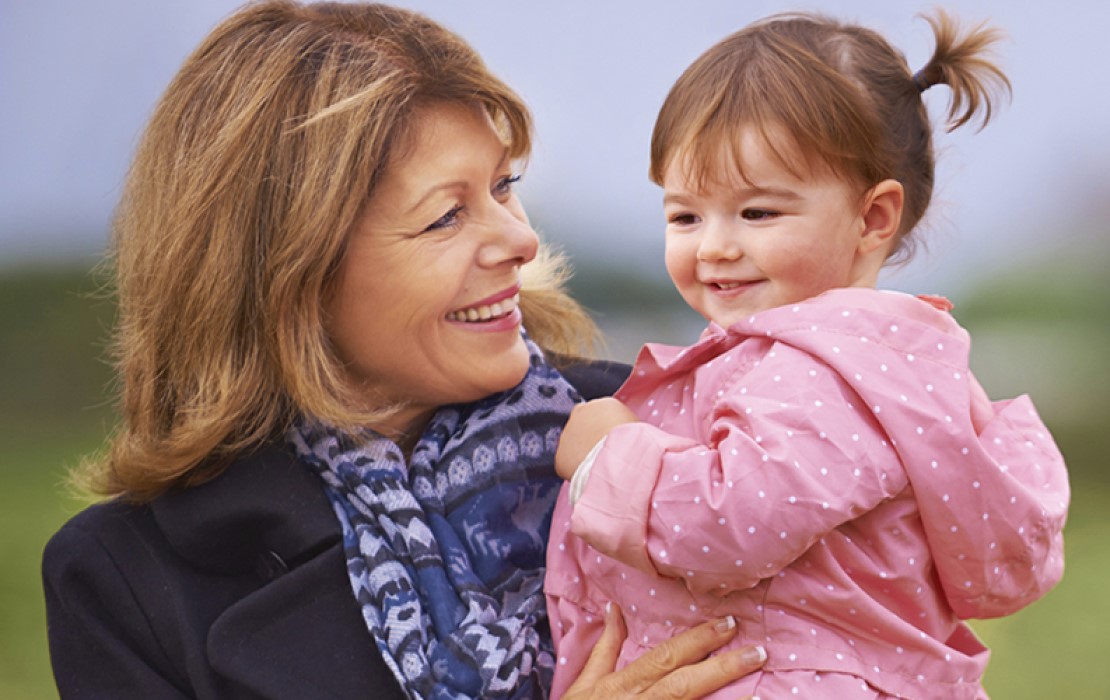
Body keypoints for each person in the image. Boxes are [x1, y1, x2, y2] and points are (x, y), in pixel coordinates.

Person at [40, 2, 770, 698]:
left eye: (503, 186)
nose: (521, 241)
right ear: (291, 276)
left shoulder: (666, 439)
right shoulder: (123, 580)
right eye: (446, 217)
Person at [546, 9, 1069, 699]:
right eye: (685, 216)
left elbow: (735, 522)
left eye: (757, 213)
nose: (714, 246)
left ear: (874, 218)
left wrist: (605, 457)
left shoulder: (833, 366)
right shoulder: (823, 357)